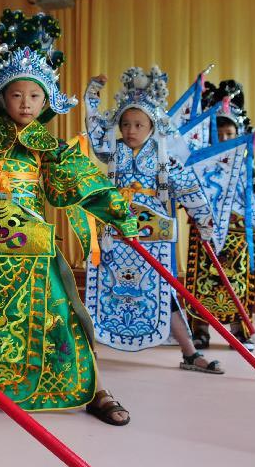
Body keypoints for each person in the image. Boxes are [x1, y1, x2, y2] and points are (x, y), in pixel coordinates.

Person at [0, 10, 139, 425]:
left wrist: (120, 216)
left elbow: (84, 183)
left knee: (64, 313)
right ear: (1, 97)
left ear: (47, 101)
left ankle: (96, 390)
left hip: (32, 249)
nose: (25, 103)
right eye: (16, 94)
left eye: (35, 96)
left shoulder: (47, 147)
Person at [84, 67, 225, 374]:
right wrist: (93, 94)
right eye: (125, 124)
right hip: (115, 235)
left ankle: (190, 353)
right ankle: (85, 352)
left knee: (162, 291)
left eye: (138, 124)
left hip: (151, 237)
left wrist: (204, 221)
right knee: (102, 289)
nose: (130, 130)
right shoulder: (114, 151)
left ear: (151, 126)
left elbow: (189, 189)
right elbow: (94, 131)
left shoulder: (164, 157)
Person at [183, 80, 255, 350]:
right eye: (220, 134)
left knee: (238, 282)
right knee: (203, 281)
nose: (225, 139)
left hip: (238, 233)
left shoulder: (244, 165)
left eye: (230, 134)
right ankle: (200, 329)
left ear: (239, 134)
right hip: (207, 230)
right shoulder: (200, 164)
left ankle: (240, 331)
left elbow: (252, 194)